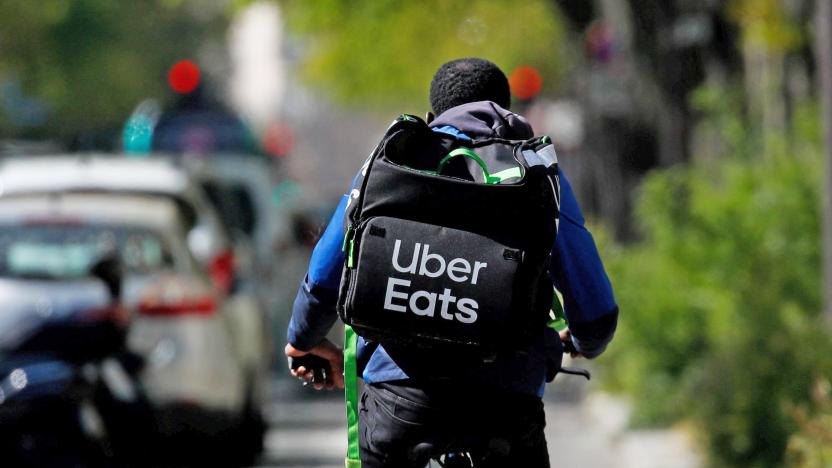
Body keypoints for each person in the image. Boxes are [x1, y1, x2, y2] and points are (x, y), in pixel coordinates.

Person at [285, 57, 618, 468]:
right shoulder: (533, 172)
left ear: (433, 114)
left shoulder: (394, 159)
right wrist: (580, 342)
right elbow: (597, 313)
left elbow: (323, 278)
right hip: (506, 409)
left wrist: (304, 339)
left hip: (398, 406)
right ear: (506, 111)